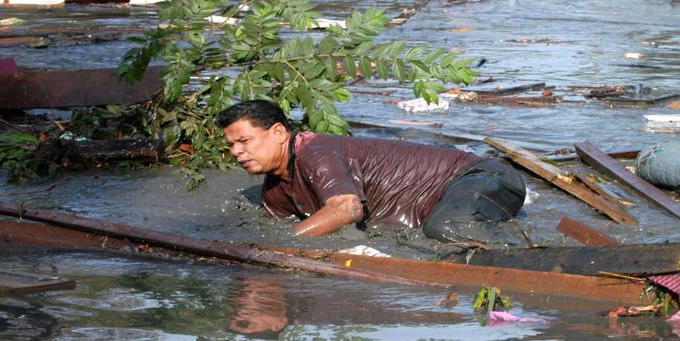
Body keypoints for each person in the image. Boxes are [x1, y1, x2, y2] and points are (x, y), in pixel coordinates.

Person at [216, 100, 526, 244]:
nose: (236, 151)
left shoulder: (315, 151)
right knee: (438, 230)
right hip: (454, 198)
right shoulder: (275, 187)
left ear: (279, 132)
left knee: (445, 230)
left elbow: (346, 208)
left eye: (244, 141)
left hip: (483, 178)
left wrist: (287, 242)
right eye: (231, 145)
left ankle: (524, 253)